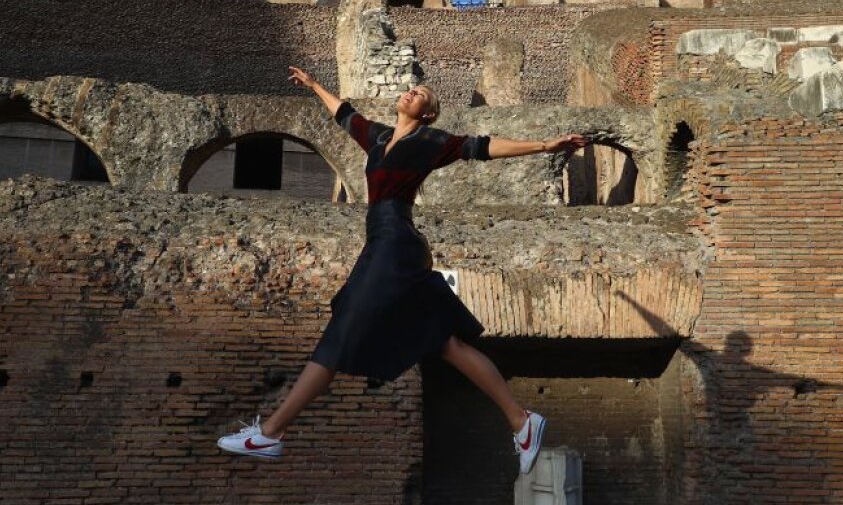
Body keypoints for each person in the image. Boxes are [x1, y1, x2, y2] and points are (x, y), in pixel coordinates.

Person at [217, 66, 588, 474]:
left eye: (421, 94)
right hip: (386, 242)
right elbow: (344, 114)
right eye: (411, 89)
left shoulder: (432, 141)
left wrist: (546, 145)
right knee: (445, 343)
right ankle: (522, 421)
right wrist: (312, 85)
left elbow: (483, 147)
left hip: (396, 243)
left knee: (341, 333)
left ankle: (270, 433)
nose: (411, 92)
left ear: (429, 113)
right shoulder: (377, 138)